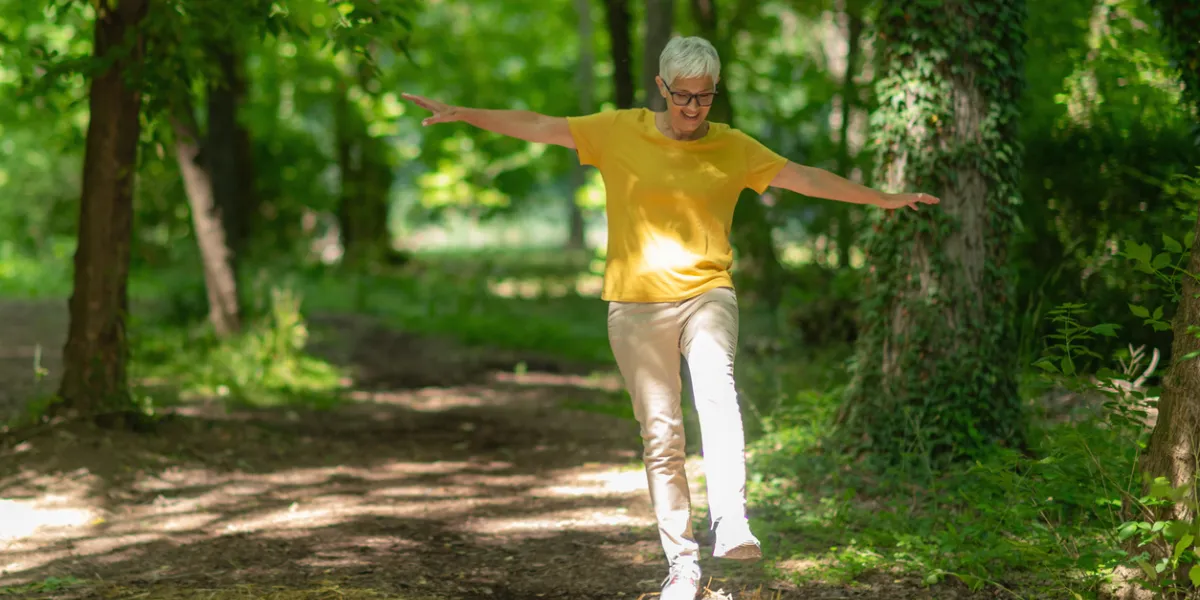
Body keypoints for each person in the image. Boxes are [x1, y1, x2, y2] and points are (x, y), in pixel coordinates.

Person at [403, 35, 939, 600]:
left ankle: (731, 521)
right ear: (661, 88)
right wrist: (464, 114)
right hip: (635, 306)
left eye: (704, 98)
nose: (692, 109)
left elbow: (803, 176)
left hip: (708, 292)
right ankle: (682, 565)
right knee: (662, 435)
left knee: (716, 389)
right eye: (682, 97)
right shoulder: (618, 131)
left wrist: (880, 198)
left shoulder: (733, 147)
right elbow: (539, 124)